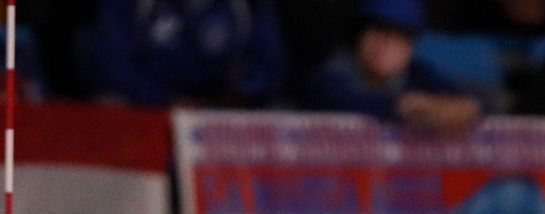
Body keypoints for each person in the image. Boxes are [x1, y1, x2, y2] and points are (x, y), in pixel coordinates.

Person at [303, 0, 484, 135]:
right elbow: (340, 100)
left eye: (397, 37)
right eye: (378, 33)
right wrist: (407, 106)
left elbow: (477, 100)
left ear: (410, 47)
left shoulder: (418, 74)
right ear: (358, 37)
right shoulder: (332, 73)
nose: (385, 45)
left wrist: (466, 106)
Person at [75, 0, 286, 107]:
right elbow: (107, 61)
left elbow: (268, 65)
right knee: (109, 105)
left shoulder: (245, 5)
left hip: (216, 114)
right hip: (150, 108)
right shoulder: (136, 4)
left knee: (278, 113)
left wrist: (240, 88)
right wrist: (163, 100)